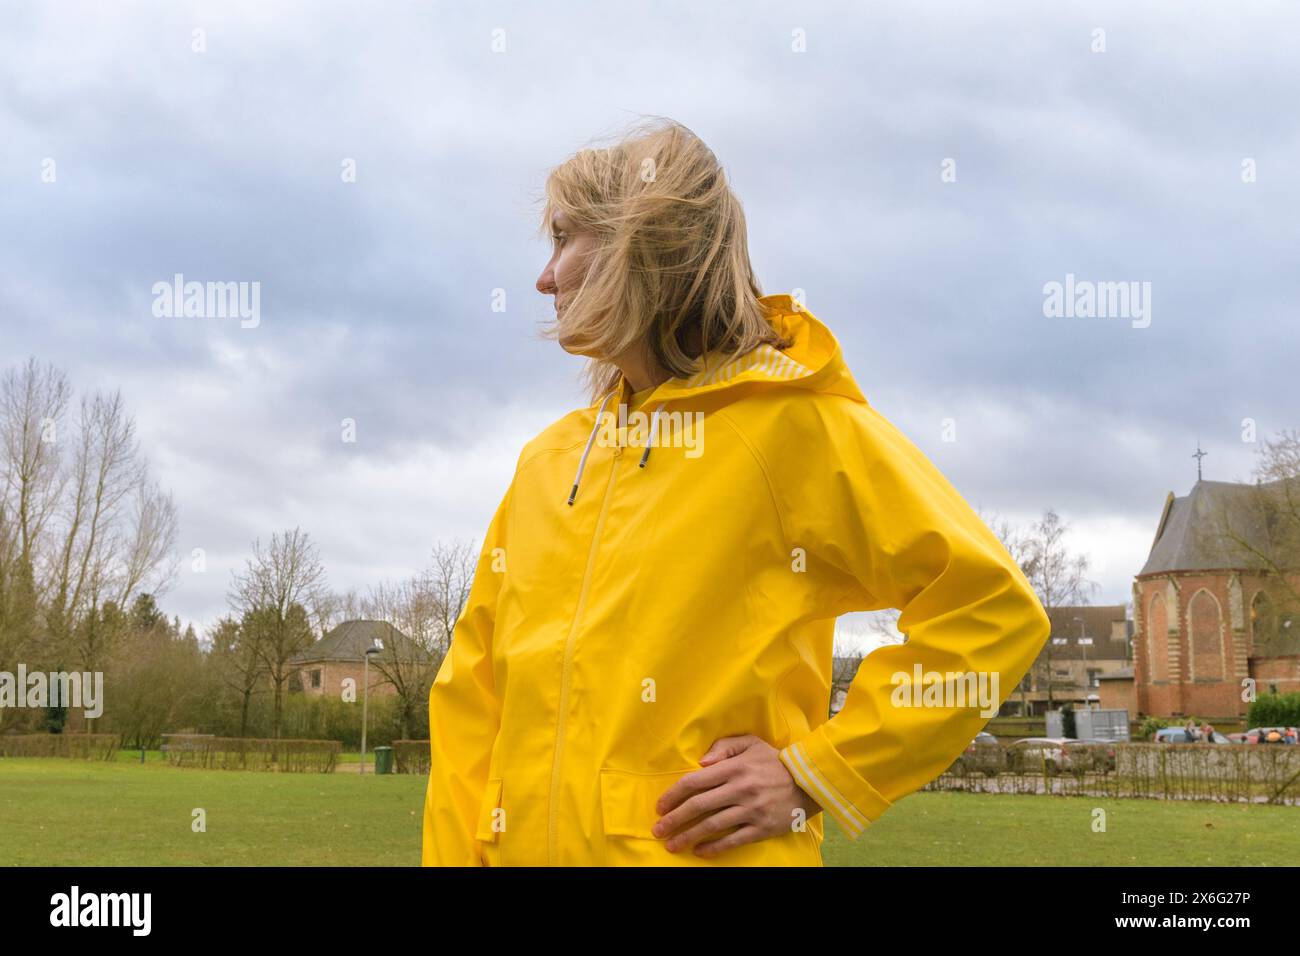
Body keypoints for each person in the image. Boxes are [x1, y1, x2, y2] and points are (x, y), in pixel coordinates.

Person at [421, 116, 1052, 867]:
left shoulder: (792, 429)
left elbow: (991, 615)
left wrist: (813, 774)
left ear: (640, 243)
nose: (544, 277)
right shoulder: (548, 461)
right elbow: (470, 703)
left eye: (564, 239)